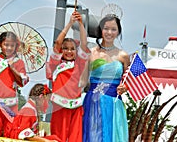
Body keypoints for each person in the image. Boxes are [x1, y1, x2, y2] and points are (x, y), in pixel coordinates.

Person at [80, 14, 130, 142]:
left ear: (118, 32)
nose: (109, 32)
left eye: (113, 29)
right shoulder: (90, 53)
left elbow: (128, 81)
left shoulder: (123, 56)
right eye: (106, 28)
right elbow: (82, 81)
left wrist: (124, 87)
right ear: (100, 30)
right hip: (93, 103)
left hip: (114, 104)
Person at [46, 11, 89, 142]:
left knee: (75, 137)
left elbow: (84, 44)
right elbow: (58, 42)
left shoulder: (79, 63)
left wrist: (81, 24)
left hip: (76, 105)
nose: (69, 51)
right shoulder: (56, 62)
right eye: (66, 48)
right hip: (59, 104)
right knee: (58, 136)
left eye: (72, 49)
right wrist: (69, 23)